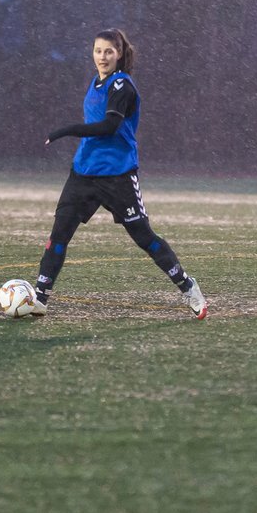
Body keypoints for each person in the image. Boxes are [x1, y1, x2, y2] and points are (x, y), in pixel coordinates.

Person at [33, 28, 208, 319]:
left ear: (119, 54)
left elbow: (109, 127)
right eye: (98, 51)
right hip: (84, 173)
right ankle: (39, 298)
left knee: (144, 237)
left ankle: (189, 287)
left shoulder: (122, 87)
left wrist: (65, 130)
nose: (102, 57)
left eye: (109, 52)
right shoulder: (96, 83)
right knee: (59, 234)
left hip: (119, 175)